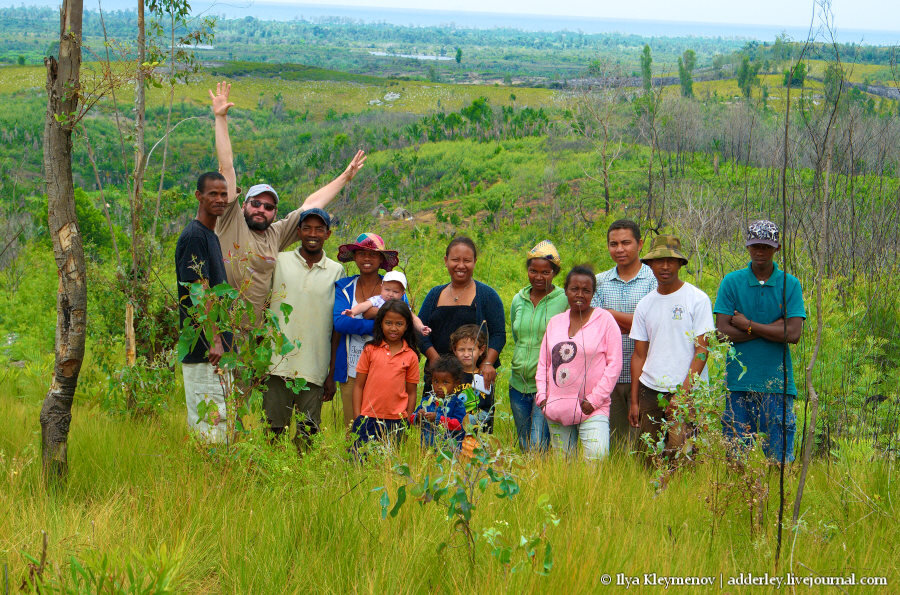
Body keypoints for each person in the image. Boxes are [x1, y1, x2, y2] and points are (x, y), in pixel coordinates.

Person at [209, 81, 366, 324]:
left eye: (269, 207)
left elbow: (312, 204)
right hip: (221, 332)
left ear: (275, 213)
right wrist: (221, 119)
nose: (262, 209)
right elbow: (226, 168)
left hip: (255, 336)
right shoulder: (231, 222)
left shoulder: (276, 234)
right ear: (243, 204)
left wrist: (345, 177)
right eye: (256, 203)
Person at [714, 220, 806, 463]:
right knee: (735, 460)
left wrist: (748, 325)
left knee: (780, 462)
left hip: (778, 385)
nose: (760, 251)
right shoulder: (732, 282)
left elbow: (794, 333)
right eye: (755, 245)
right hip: (739, 384)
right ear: (748, 246)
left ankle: (777, 502)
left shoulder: (790, 284)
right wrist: (775, 326)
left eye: (766, 246)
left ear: (777, 247)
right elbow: (722, 333)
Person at [628, 235, 715, 462]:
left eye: (670, 261)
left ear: (680, 264)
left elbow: (702, 350)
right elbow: (639, 355)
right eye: (658, 261)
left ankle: (679, 497)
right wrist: (635, 400)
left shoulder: (697, 299)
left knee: (681, 455)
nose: (664, 266)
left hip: (687, 390)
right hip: (651, 389)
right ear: (649, 265)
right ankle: (650, 498)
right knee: (649, 455)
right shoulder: (645, 304)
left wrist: (683, 393)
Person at [264, 208, 344, 449]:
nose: (313, 234)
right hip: (277, 363)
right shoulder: (280, 260)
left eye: (319, 229)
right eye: (307, 228)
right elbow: (263, 306)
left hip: (314, 369)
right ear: (298, 232)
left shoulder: (336, 271)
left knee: (308, 435)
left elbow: (335, 327)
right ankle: (271, 479)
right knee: (273, 430)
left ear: (328, 234)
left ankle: (302, 480)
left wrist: (331, 374)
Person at [535, 266, 623, 461]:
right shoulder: (555, 322)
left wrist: (594, 400)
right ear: (565, 290)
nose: (580, 295)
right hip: (557, 405)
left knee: (597, 458)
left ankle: (595, 493)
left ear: (593, 293)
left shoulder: (605, 320)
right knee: (563, 462)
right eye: (574, 289)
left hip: (593, 407)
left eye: (586, 290)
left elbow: (614, 364)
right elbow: (543, 363)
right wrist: (542, 397)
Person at [418, 237, 506, 430]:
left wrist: (488, 363)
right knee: (436, 427)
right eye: (455, 260)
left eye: (467, 260)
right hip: (439, 377)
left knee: (473, 430)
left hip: (475, 378)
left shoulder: (487, 295)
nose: (461, 265)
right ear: (445, 260)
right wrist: (433, 359)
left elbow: (499, 334)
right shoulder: (435, 294)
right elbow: (420, 331)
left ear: (475, 262)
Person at [175, 172, 234, 443]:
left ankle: (218, 481)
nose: (220, 199)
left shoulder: (210, 234)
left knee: (222, 423)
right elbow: (199, 290)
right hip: (205, 351)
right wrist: (215, 340)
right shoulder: (194, 236)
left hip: (216, 350)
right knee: (209, 428)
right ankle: (207, 481)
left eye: (224, 194)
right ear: (199, 196)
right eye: (213, 194)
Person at [591, 220, 658, 452]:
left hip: (647, 376)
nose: (619, 249)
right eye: (613, 244)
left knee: (644, 444)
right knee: (616, 444)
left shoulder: (654, 279)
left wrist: (609, 314)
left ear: (640, 244)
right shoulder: (599, 281)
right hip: (609, 376)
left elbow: (654, 326)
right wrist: (635, 324)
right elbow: (595, 327)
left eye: (626, 243)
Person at [333, 233, 402, 428]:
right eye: (361, 253)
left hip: (386, 370)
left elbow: (401, 325)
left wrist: (364, 319)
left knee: (380, 426)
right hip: (351, 369)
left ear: (381, 259)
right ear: (354, 257)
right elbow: (340, 323)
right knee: (353, 426)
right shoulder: (344, 287)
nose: (366, 258)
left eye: (373, 254)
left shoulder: (394, 288)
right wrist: (380, 323)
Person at [509, 240, 568, 452]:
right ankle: (531, 484)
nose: (539, 277)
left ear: (555, 273)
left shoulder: (563, 299)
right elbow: (517, 336)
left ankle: (543, 479)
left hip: (547, 385)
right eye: (533, 271)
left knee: (538, 444)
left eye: (546, 272)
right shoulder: (519, 299)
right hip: (518, 382)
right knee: (524, 443)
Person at [351, 300, 421, 450]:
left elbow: (411, 392)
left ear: (407, 325)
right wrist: (358, 417)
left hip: (396, 420)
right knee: (360, 460)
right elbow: (358, 386)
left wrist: (407, 419)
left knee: (389, 465)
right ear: (380, 323)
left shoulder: (411, 356)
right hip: (367, 417)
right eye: (388, 323)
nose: (393, 328)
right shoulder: (370, 350)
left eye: (399, 324)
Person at [342, 270, 431, 336]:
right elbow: (364, 305)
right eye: (387, 290)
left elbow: (413, 317)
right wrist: (353, 311)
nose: (390, 294)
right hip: (375, 336)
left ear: (402, 294)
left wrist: (421, 327)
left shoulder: (401, 305)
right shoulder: (378, 300)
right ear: (381, 287)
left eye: (395, 292)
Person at [410, 354, 467, 448]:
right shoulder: (427, 401)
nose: (440, 386)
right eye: (436, 381)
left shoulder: (457, 404)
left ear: (456, 384)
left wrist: (438, 419)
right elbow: (412, 418)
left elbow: (459, 425)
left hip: (449, 452)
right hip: (427, 450)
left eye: (445, 382)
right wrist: (419, 417)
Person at [449, 324, 492, 432]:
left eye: (471, 350)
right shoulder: (451, 376)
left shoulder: (485, 376)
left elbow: (490, 408)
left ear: (481, 350)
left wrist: (471, 420)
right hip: (455, 433)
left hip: (479, 434)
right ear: (454, 350)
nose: (466, 354)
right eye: (461, 350)